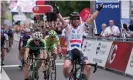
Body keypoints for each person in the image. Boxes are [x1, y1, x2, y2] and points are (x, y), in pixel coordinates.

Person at [54, 3, 103, 80]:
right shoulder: (68, 28)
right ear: (71, 20)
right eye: (75, 19)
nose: (77, 20)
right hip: (70, 51)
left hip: (79, 51)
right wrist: (57, 13)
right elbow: (62, 20)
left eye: (78, 18)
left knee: (89, 67)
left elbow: (91, 18)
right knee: (66, 66)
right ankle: (67, 75)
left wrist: (98, 10)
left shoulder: (82, 27)